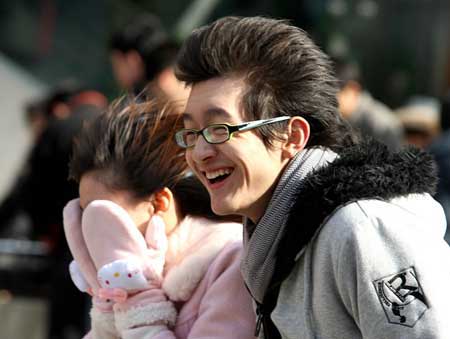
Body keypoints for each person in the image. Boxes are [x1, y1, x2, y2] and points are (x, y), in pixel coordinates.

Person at [173, 16, 450, 338]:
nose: (199, 152)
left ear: (291, 137)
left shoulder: (360, 229)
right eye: (191, 133)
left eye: (220, 129)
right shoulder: (271, 233)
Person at [63, 97, 255, 338]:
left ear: (158, 203)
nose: (91, 229)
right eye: (84, 214)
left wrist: (140, 308)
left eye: (101, 214)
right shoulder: (125, 273)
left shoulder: (230, 259)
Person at [109, 13, 189, 103]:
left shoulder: (165, 84)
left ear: (132, 60)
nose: (116, 75)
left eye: (117, 65)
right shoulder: (185, 65)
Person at [333, 57, 404, 151]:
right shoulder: (338, 118)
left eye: (333, 94)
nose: (328, 100)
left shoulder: (382, 125)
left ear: (353, 89)